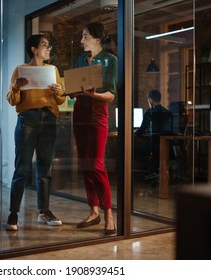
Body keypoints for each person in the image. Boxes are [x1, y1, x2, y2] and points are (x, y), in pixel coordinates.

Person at [5, 34, 66, 231]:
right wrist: (15, 87)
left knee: (44, 168)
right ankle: (13, 214)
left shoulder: (53, 70)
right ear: (33, 49)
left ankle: (44, 211)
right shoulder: (20, 70)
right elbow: (12, 100)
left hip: (49, 119)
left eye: (49, 46)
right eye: (45, 46)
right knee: (22, 168)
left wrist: (58, 91)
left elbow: (61, 100)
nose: (49, 49)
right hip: (27, 119)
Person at [72, 22, 117, 235]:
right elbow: (75, 89)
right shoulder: (81, 59)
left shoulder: (110, 60)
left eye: (85, 37)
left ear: (97, 39)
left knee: (97, 164)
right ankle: (94, 211)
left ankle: (109, 214)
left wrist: (93, 95)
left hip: (98, 114)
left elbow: (110, 95)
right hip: (80, 112)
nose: (82, 41)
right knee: (85, 164)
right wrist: (69, 91)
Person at [134, 90, 172, 175]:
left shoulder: (149, 112)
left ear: (150, 100)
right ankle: (154, 169)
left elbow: (142, 129)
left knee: (133, 150)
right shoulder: (168, 112)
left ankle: (151, 168)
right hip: (166, 146)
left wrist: (136, 132)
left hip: (153, 146)